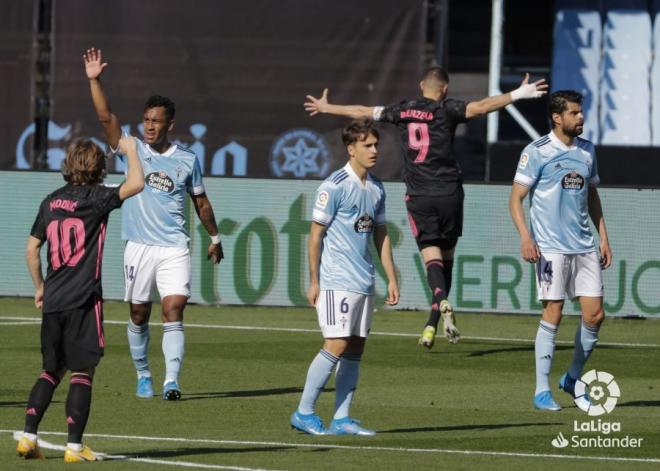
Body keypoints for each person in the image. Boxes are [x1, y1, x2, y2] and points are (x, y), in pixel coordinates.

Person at [304, 67, 547, 349]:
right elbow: (481, 107)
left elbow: (362, 110)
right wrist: (518, 93)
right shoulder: (448, 109)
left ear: (422, 86)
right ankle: (433, 320)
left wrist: (326, 107)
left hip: (420, 194)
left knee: (431, 254)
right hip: (450, 192)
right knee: (448, 257)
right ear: (444, 89)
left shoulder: (403, 110)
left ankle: (439, 302)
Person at [83, 47, 224, 401]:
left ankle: (171, 381)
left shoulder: (187, 160)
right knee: (138, 312)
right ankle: (143, 373)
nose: (149, 125)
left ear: (169, 124)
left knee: (173, 307)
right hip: (138, 245)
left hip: (174, 245)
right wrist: (95, 80)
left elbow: (201, 202)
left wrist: (215, 236)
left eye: (156, 120)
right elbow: (105, 118)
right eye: (146, 119)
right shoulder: (132, 149)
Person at [17, 136, 143, 461]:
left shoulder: (50, 201)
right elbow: (137, 184)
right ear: (99, 168)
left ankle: (28, 438)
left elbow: (32, 249)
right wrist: (130, 152)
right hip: (83, 300)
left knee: (50, 370)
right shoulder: (97, 198)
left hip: (54, 300)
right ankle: (74, 447)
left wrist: (40, 286)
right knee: (82, 372)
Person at [290, 119, 399, 436]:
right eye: (367, 145)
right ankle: (304, 411)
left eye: (376, 144)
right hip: (337, 280)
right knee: (336, 344)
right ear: (351, 149)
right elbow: (314, 236)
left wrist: (391, 277)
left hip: (364, 280)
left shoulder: (377, 187)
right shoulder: (334, 185)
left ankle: (341, 418)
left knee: (355, 348)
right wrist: (314, 281)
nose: (374, 150)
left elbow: (381, 234)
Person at [509, 90, 612, 411]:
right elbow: (515, 199)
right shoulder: (536, 151)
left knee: (595, 315)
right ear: (557, 117)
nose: (580, 118)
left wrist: (604, 237)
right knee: (553, 311)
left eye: (581, 112)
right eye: (574, 113)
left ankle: (571, 378)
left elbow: (591, 195)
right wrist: (526, 237)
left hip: (584, 245)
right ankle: (541, 391)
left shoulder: (587, 151)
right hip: (550, 247)